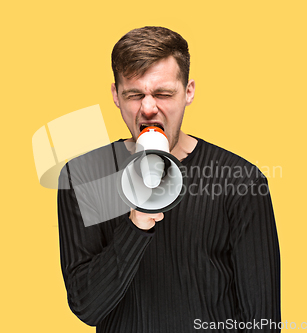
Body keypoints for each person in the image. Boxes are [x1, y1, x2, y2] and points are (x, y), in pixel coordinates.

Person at [57, 26, 281, 332]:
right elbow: (87, 307)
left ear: (188, 92)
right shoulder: (83, 177)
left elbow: (262, 321)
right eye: (134, 94)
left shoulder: (240, 180)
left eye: (163, 94)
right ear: (116, 96)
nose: (149, 109)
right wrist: (136, 225)